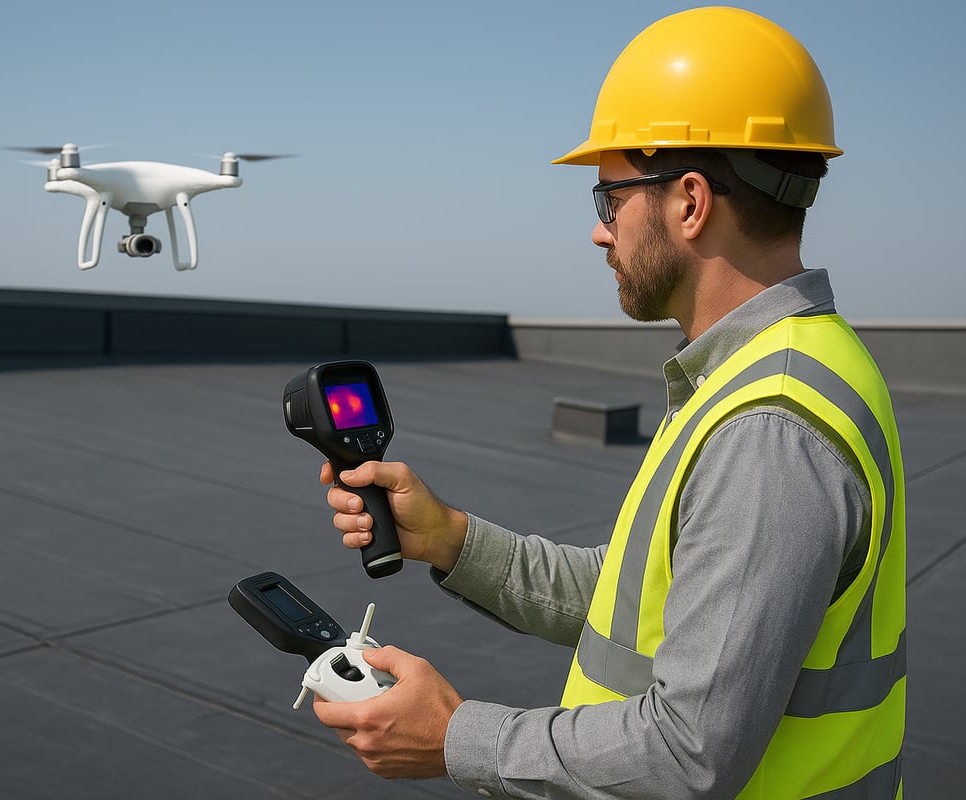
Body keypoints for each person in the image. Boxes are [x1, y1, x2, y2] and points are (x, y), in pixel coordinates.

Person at [311, 7, 906, 798]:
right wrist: (450, 539)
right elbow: (645, 602)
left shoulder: (767, 427)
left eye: (608, 199)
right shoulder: (778, 370)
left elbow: (689, 754)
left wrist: (456, 735)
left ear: (689, 202)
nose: (600, 233)